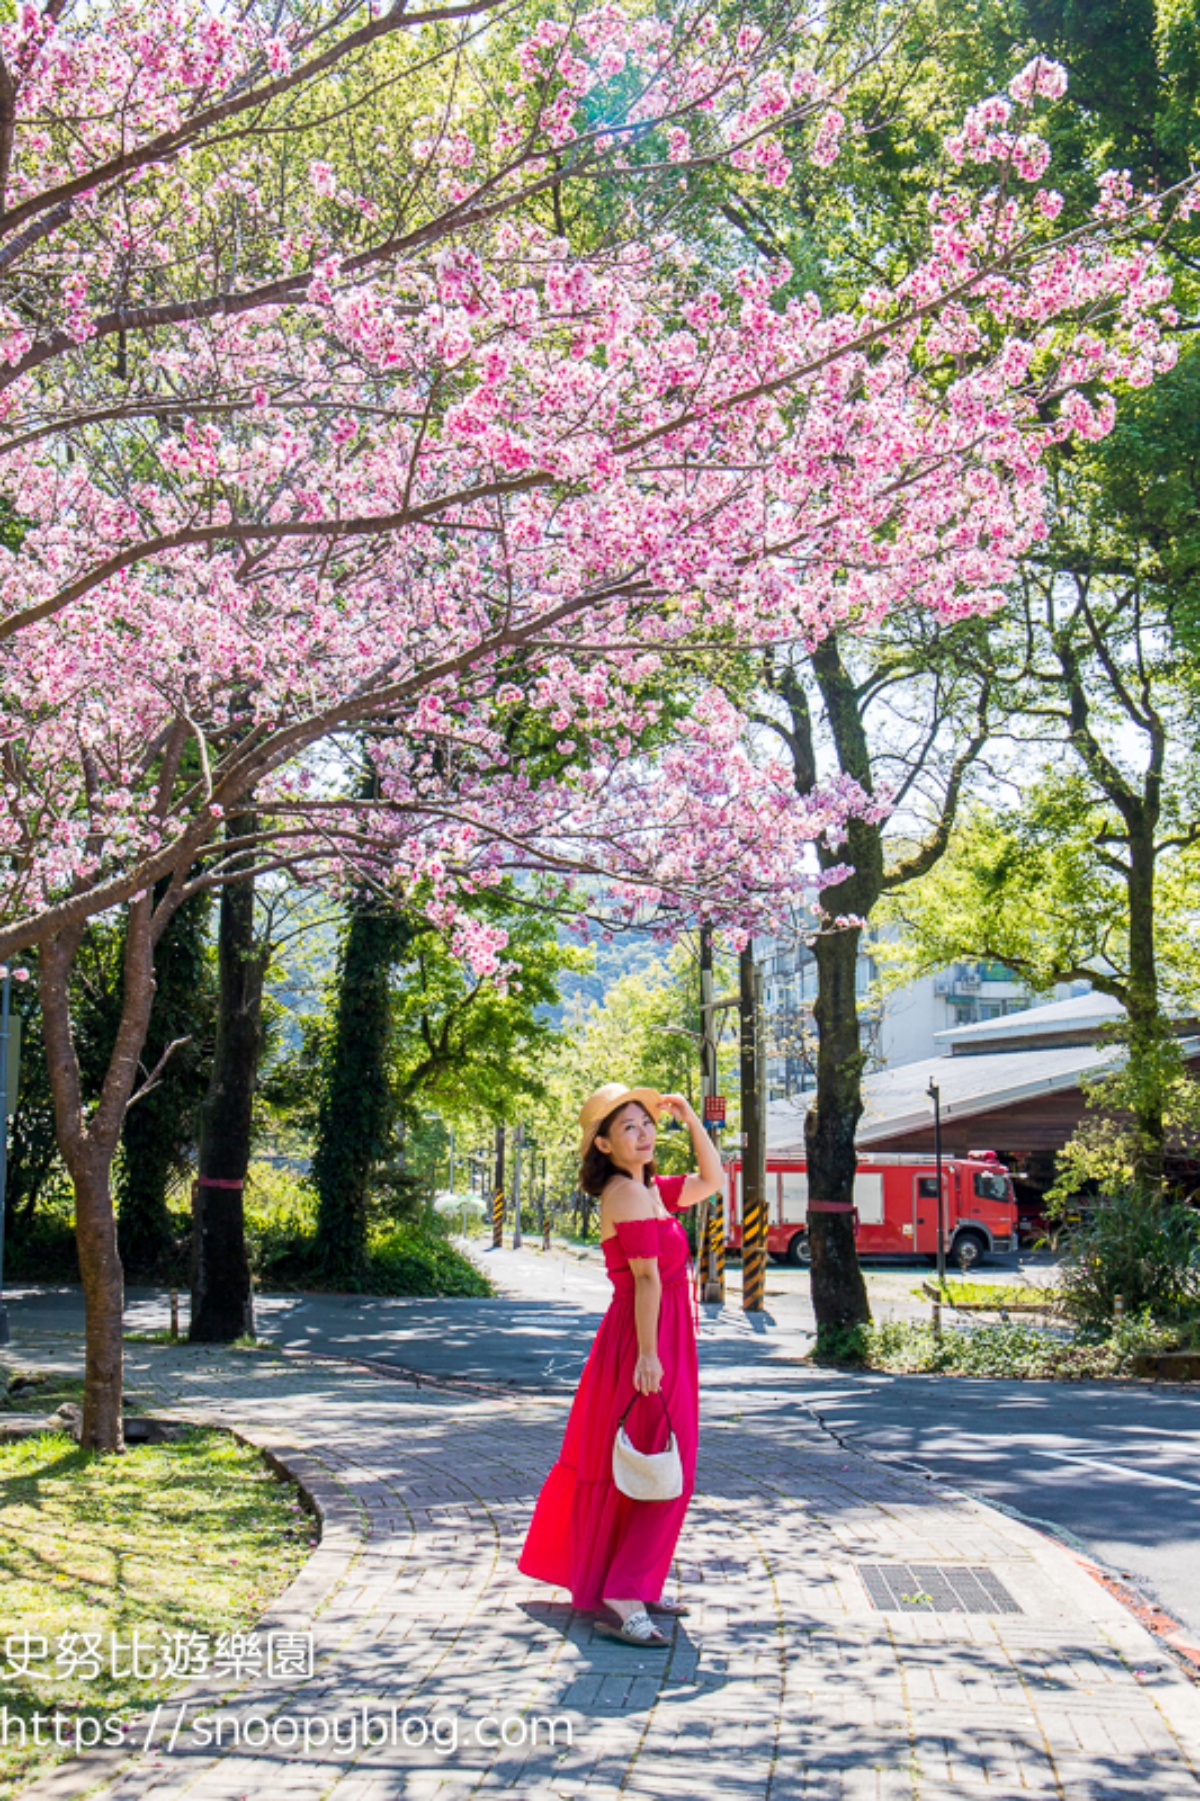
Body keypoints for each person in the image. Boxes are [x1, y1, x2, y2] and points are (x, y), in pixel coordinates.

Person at [518, 1081, 724, 1646]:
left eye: (647, 1123)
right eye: (628, 1127)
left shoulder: (652, 1189)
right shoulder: (626, 1195)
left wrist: (690, 1118)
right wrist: (651, 1355)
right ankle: (622, 1593)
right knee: (656, 1464)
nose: (644, 1133)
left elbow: (714, 1181)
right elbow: (647, 1278)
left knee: (663, 1466)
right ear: (604, 1145)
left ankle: (638, 1579)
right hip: (644, 1341)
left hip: (664, 1337)